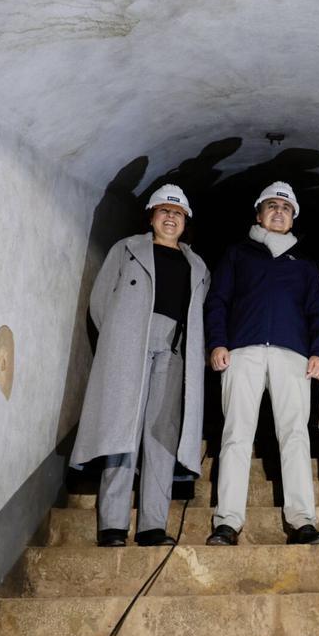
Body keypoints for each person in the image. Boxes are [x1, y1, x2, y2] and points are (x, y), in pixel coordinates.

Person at [70, 184, 209, 547]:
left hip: (173, 351)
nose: (170, 218)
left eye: (177, 214)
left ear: (185, 221)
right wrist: (121, 340)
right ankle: (113, 524)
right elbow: (100, 303)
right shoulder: (127, 249)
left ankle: (152, 526)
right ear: (151, 216)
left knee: (162, 436)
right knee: (122, 431)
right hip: (129, 347)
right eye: (164, 211)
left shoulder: (197, 265)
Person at [204, 181, 319, 546]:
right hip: (242, 351)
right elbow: (218, 302)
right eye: (272, 206)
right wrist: (217, 343)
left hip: (292, 355)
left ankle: (302, 520)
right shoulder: (237, 254)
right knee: (236, 434)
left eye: (286, 208)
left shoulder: (305, 265)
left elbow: (318, 314)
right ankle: (227, 521)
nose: (279, 212)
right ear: (259, 214)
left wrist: (318, 351)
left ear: (293, 219)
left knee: (294, 434)